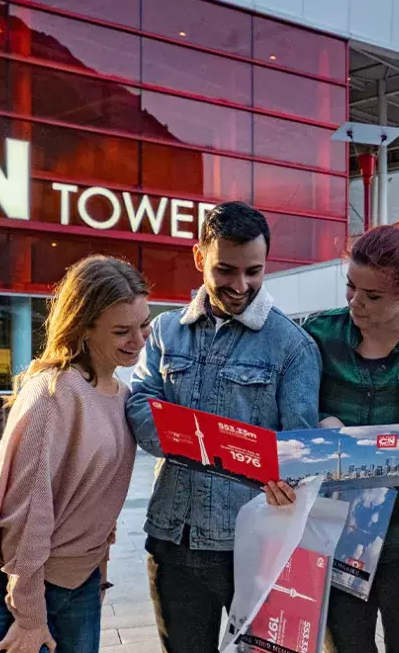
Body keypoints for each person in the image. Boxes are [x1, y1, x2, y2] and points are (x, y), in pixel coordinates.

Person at [126, 201, 321, 653]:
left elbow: (297, 452)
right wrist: (219, 444)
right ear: (199, 258)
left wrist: (285, 471)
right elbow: (139, 407)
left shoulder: (292, 347)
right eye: (225, 270)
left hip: (252, 547)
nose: (240, 285)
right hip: (172, 536)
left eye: (254, 271)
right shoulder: (163, 331)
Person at [0, 256, 150, 653]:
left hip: (77, 581)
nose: (138, 341)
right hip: (12, 581)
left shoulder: (123, 397)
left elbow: (101, 501)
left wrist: (98, 573)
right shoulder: (53, 393)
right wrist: (29, 616)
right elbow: (28, 514)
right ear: (84, 326)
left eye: (144, 325)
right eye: (121, 331)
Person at [303, 220, 399, 653]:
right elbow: (289, 413)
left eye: (372, 296)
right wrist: (319, 420)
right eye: (351, 287)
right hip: (337, 536)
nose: (356, 304)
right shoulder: (320, 333)